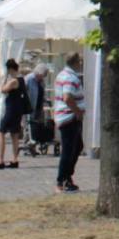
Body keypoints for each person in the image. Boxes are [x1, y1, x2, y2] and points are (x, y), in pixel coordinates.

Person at [53, 53, 85, 192]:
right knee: (69, 150)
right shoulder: (70, 77)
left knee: (77, 146)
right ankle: (62, 180)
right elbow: (67, 97)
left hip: (66, 116)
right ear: (76, 62)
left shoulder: (62, 74)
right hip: (69, 117)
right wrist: (77, 111)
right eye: (80, 61)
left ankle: (67, 177)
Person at [0, 58, 27, 169]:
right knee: (14, 135)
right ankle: (15, 159)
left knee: (1, 132)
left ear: (10, 69)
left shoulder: (14, 80)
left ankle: (0, 160)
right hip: (18, 109)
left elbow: (3, 89)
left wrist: (4, 82)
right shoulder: (21, 79)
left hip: (11, 109)